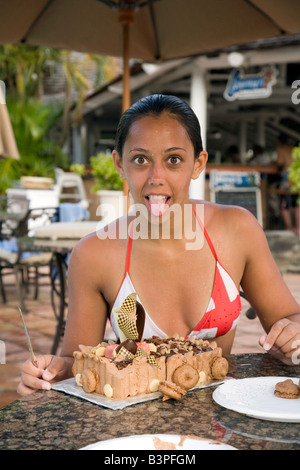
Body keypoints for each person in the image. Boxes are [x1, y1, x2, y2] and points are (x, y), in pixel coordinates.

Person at [18, 94, 300, 396]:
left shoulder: (237, 230)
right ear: (119, 163)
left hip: (221, 420)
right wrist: (48, 373)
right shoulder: (94, 255)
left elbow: (290, 318)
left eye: (173, 160)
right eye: (140, 160)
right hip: (133, 430)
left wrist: (292, 337)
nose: (156, 177)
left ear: (198, 163)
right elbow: (77, 363)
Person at [276, 134, 300, 235]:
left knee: (284, 203)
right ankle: (298, 228)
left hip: (288, 176)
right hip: (297, 175)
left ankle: (289, 228)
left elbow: (280, 162)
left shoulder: (280, 148)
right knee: (297, 202)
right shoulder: (293, 148)